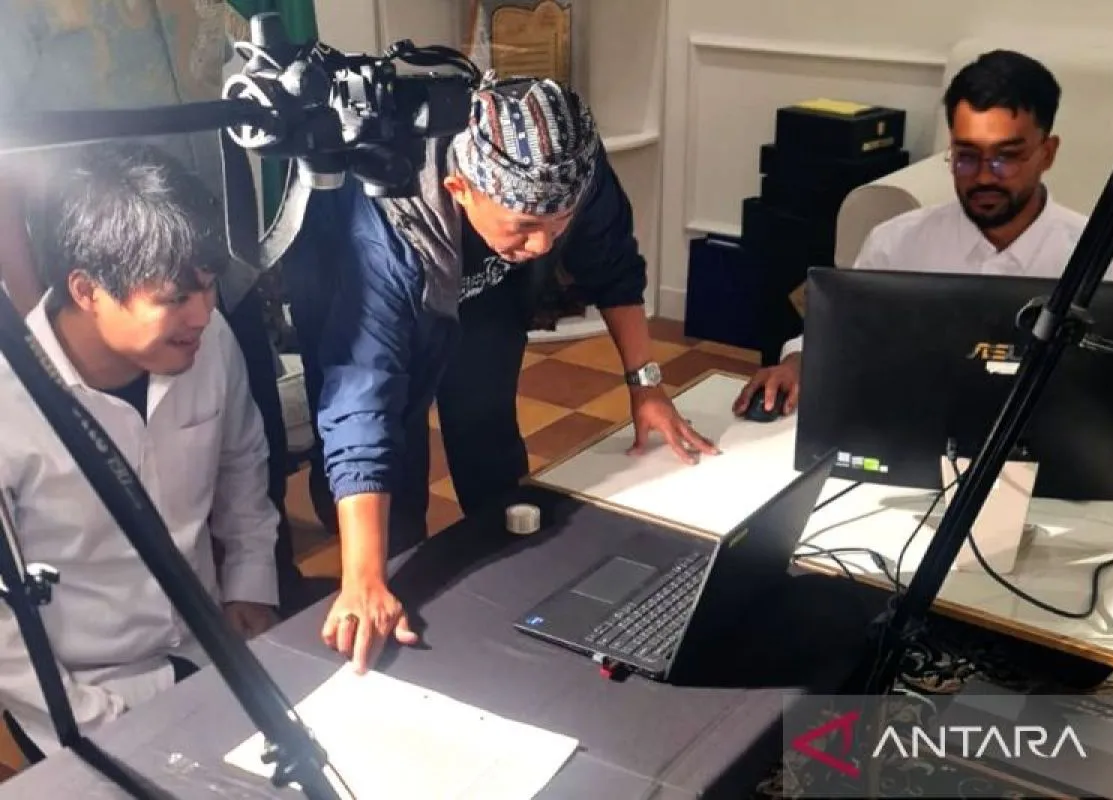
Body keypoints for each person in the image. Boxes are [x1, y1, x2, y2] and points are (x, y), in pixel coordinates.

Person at [283, 77, 718, 674]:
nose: (541, 246)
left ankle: (510, 600)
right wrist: (363, 577)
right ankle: (384, 602)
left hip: (481, 294)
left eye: (557, 224)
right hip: (353, 289)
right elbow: (362, 397)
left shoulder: (570, 165)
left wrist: (647, 387)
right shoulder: (388, 224)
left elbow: (612, 264)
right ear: (460, 188)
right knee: (393, 467)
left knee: (487, 432)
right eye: (522, 226)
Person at [0, 0, 308, 614]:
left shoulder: (210, 321)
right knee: (92, 498)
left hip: (216, 269)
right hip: (110, 288)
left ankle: (259, 617)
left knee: (249, 456)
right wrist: (43, 335)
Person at [0, 142, 281, 762]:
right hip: (86, 696)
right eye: (176, 297)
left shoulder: (208, 342)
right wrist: (97, 719)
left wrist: (249, 584)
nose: (203, 314)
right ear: (87, 290)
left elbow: (242, 463)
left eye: (209, 287)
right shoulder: (10, 404)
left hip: (210, 649)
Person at [734, 49, 1113, 417]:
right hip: (911, 429)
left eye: (1006, 157)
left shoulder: (1106, 264)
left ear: (1047, 153)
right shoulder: (896, 244)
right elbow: (839, 333)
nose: (984, 176)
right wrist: (796, 364)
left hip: (1046, 443)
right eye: (966, 156)